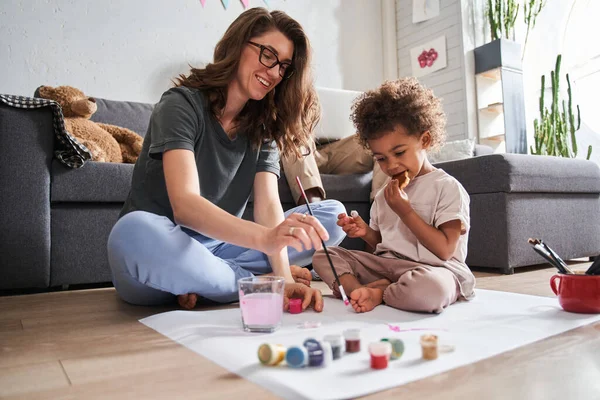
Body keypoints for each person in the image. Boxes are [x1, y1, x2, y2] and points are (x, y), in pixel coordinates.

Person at [107, 8, 346, 311]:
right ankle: (252, 283)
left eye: (283, 66)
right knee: (132, 233)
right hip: (164, 245)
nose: (273, 72)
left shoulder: (264, 127)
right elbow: (185, 206)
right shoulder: (180, 104)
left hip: (220, 250)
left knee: (330, 219)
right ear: (238, 45)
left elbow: (268, 205)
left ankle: (214, 282)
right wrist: (267, 242)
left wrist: (284, 275)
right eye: (267, 55)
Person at [312, 78, 475, 314]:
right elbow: (382, 245)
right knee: (324, 255)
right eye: (381, 159)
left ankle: (380, 293)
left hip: (437, 269)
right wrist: (365, 233)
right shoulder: (383, 194)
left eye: (399, 152)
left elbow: (445, 250)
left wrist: (405, 211)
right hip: (389, 266)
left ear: (425, 140)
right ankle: (359, 290)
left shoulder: (446, 187)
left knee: (432, 290)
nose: (391, 165)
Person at [281, 133, 388, 206]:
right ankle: (314, 208)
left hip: (334, 146)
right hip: (296, 144)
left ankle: (382, 211)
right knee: (294, 134)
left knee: (380, 139)